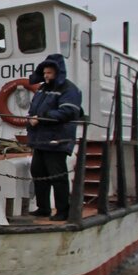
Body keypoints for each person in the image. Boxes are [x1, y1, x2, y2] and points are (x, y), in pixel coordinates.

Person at [26, 53, 82, 221]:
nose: (46, 76)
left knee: (57, 176)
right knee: (38, 171)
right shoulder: (43, 88)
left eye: (49, 73)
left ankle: (63, 210)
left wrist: (40, 117)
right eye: (44, 73)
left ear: (57, 72)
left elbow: (69, 111)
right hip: (41, 140)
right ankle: (43, 208)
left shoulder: (69, 89)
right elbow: (34, 108)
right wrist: (31, 119)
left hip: (57, 139)